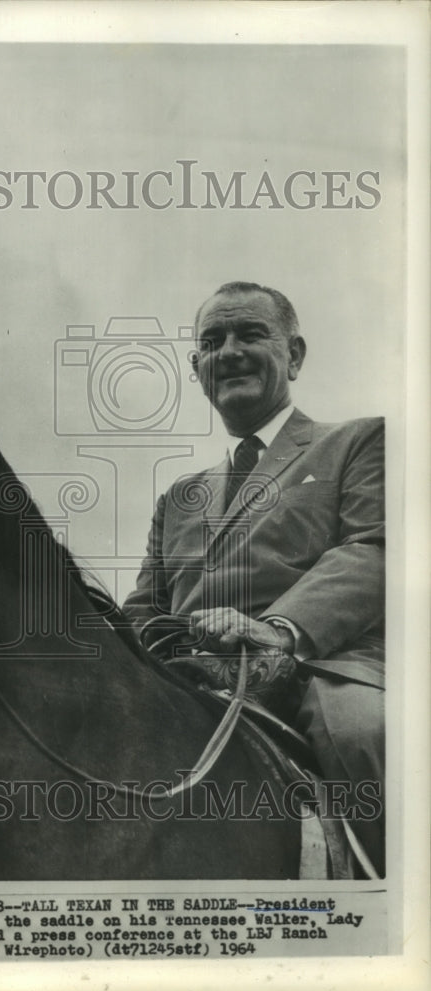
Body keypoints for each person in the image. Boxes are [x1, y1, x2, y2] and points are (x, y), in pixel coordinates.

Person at [122, 281, 385, 875]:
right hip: (187, 674)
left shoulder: (359, 441)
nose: (230, 351)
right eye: (212, 342)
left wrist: (277, 630)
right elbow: (142, 607)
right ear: (197, 368)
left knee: (365, 733)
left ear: (294, 354)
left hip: (323, 667)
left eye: (250, 334)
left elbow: (372, 549)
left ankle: (395, 903)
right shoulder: (177, 497)